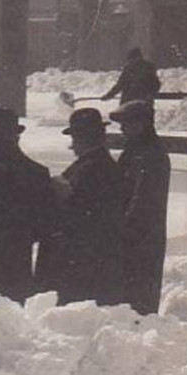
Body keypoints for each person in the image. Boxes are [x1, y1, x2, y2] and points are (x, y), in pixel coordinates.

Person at [36, 107, 125, 307]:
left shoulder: (92, 167)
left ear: (83, 138)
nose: (73, 144)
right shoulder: (98, 164)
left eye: (76, 137)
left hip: (83, 256)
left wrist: (60, 193)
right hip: (92, 255)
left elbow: (82, 210)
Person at [0, 108, 58, 304]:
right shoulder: (36, 172)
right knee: (13, 320)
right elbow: (45, 223)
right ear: (17, 135)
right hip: (18, 256)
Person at [110, 100, 171, 315]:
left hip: (141, 237)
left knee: (138, 297)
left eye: (126, 123)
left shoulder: (150, 155)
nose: (122, 129)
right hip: (134, 236)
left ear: (142, 124)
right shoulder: (135, 151)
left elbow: (142, 200)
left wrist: (121, 227)